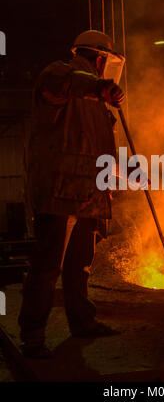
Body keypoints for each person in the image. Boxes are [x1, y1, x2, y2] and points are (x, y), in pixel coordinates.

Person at [18, 30, 126, 359]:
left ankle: (82, 321)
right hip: (59, 191)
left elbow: (99, 147)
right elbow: (67, 84)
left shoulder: (97, 102)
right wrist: (98, 87)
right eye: (105, 66)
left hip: (88, 195)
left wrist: (124, 175)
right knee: (47, 265)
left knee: (80, 265)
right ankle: (33, 336)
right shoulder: (59, 75)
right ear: (99, 59)